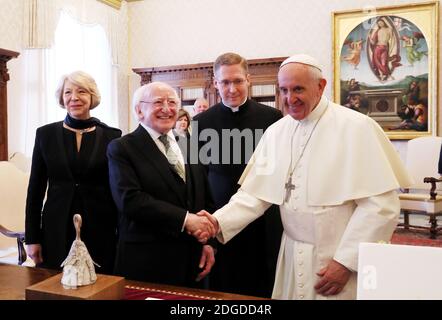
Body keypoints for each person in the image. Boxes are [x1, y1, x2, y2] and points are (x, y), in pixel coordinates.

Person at [194, 54, 412, 299]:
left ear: (321, 86)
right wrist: (215, 222)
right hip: (292, 252)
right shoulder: (277, 132)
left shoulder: (356, 127)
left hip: (337, 253)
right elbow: (254, 196)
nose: (290, 98)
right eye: (284, 90)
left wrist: (346, 262)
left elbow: (381, 207)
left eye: (298, 89)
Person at [107, 82, 215, 287]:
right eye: (158, 102)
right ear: (139, 110)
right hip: (147, 262)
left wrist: (209, 242)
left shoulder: (189, 145)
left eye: (172, 102)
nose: (167, 109)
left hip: (193, 261)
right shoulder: (122, 147)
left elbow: (205, 197)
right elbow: (129, 200)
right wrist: (186, 220)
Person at [192, 52, 283, 297]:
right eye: (225, 82)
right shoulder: (200, 122)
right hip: (220, 219)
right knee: (224, 288)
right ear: (215, 83)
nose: (232, 89)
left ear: (248, 80)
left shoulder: (273, 119)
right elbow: (197, 179)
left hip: (263, 221)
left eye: (238, 81)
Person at [25, 71, 122, 274]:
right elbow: (35, 190)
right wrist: (32, 238)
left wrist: (121, 235)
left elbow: (117, 191)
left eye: (82, 91)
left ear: (92, 97)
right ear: (62, 98)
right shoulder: (45, 135)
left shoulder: (112, 136)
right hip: (56, 227)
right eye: (68, 92)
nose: (74, 97)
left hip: (100, 228)